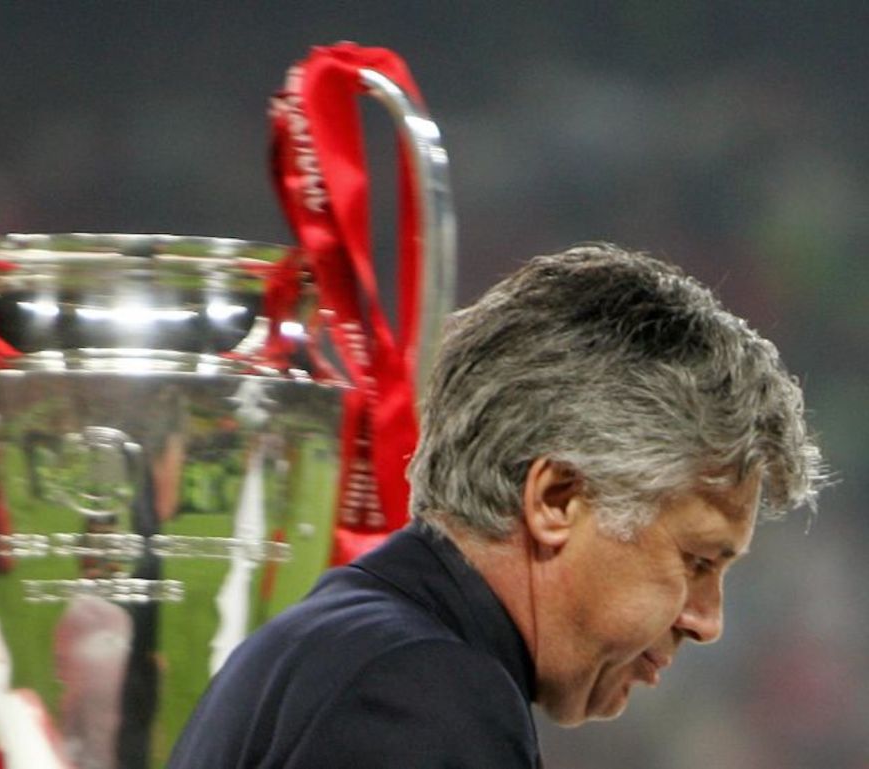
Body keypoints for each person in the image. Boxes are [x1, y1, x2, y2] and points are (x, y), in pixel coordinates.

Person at [167, 243, 825, 768]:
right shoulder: (421, 693)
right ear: (556, 500)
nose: (707, 620)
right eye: (698, 559)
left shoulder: (346, 640)